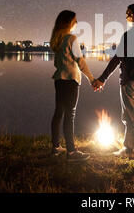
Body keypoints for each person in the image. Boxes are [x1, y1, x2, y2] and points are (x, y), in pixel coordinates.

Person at [92, 4, 134, 158]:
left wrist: (102, 79)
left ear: (132, 15)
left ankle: (129, 150)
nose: (126, 17)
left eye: (127, 14)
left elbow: (117, 58)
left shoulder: (129, 35)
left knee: (130, 116)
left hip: (130, 81)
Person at [50, 10, 96, 161]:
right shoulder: (71, 38)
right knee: (70, 114)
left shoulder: (57, 39)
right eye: (75, 20)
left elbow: (58, 63)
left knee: (59, 113)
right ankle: (71, 151)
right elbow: (80, 61)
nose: (76, 23)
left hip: (59, 80)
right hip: (70, 80)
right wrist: (91, 78)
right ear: (68, 22)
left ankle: (56, 147)